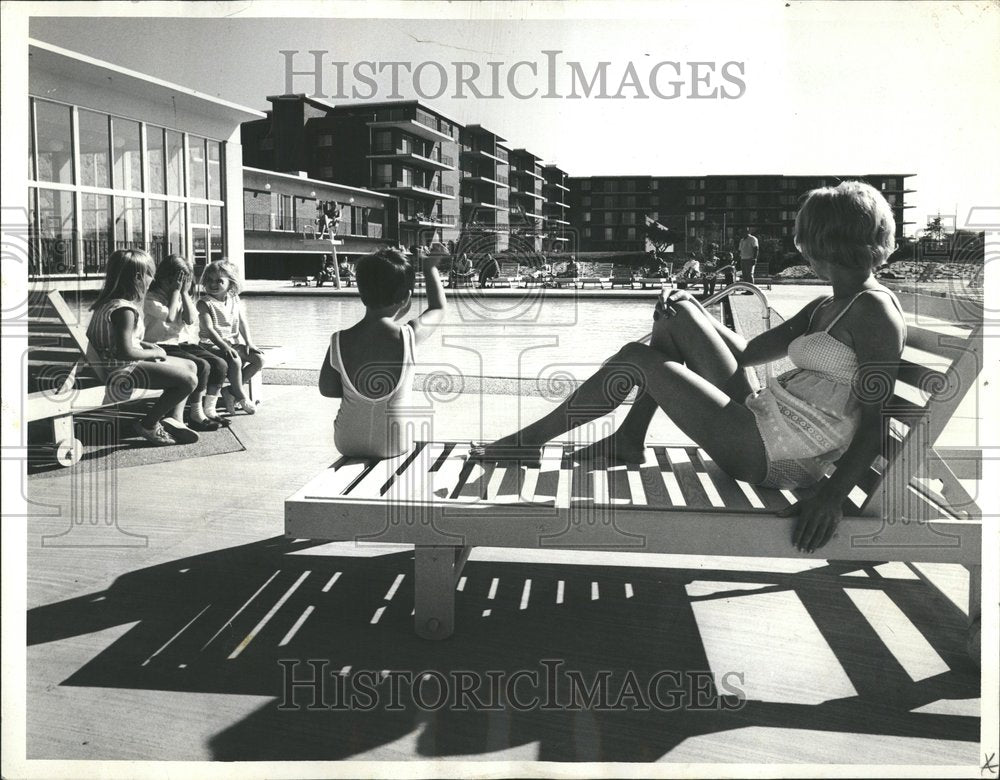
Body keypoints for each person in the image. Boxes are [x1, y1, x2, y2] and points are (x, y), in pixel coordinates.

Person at [472, 181, 906, 552]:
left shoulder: (874, 313)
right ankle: (628, 438)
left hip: (777, 455)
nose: (803, 250)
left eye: (807, 239)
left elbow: (875, 419)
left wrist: (831, 496)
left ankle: (532, 441)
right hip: (766, 419)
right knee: (672, 318)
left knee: (636, 358)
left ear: (827, 241)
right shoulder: (828, 303)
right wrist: (691, 310)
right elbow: (748, 354)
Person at [319, 242, 448, 458]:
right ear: (406, 298)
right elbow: (438, 308)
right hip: (395, 444)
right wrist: (430, 267)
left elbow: (327, 389)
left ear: (361, 294)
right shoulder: (408, 336)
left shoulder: (339, 340)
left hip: (347, 442)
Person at [86, 248, 200, 446]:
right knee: (188, 380)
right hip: (121, 369)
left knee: (191, 365)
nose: (152, 280)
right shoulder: (124, 310)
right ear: (139, 277)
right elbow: (125, 352)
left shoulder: (107, 304)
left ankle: (175, 420)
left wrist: (145, 344)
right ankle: (149, 423)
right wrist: (153, 352)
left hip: (114, 363)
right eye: (150, 275)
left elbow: (116, 340)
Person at [144, 253, 230, 433]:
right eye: (175, 281)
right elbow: (172, 316)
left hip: (181, 343)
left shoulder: (183, 295)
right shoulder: (151, 298)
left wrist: (183, 293)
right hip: (160, 344)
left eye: (184, 281)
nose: (179, 285)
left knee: (219, 364)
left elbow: (190, 319)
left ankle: (208, 410)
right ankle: (195, 415)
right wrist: (176, 291)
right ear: (164, 278)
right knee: (202, 365)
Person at [197, 258, 264, 415]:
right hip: (211, 345)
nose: (213, 284)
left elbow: (242, 322)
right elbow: (209, 329)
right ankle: (241, 396)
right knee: (235, 359)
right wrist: (224, 347)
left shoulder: (234, 299)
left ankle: (231, 391)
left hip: (232, 343)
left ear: (231, 284)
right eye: (209, 280)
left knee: (259, 359)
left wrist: (249, 342)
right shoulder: (204, 303)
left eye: (219, 281)